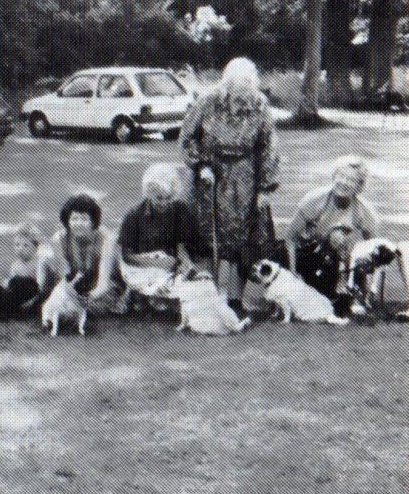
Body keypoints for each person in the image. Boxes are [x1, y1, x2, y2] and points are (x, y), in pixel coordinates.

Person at [180, 57, 280, 313]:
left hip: (245, 177)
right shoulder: (208, 101)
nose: (242, 94)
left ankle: (236, 297)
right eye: (237, 87)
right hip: (210, 175)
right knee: (206, 233)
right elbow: (187, 137)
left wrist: (265, 188)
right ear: (227, 83)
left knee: (244, 236)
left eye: (247, 87)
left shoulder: (260, 104)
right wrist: (201, 165)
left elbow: (269, 147)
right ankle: (207, 294)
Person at [285, 156, 379, 314]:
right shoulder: (314, 200)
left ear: (359, 186)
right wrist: (292, 275)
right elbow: (290, 238)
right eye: (341, 176)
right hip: (309, 258)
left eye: (351, 180)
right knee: (335, 236)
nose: (344, 182)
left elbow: (375, 250)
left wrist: (372, 287)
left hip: (340, 262)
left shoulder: (365, 211)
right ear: (334, 176)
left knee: (350, 245)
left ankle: (350, 290)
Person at [115, 163, 203, 303]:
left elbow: (182, 245)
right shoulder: (134, 215)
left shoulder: (180, 209)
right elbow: (126, 255)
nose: (164, 203)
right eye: (159, 198)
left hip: (173, 266)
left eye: (168, 198)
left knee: (195, 288)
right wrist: (158, 263)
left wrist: (186, 264)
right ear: (149, 194)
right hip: (142, 266)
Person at [49, 194, 123, 313]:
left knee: (97, 306)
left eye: (84, 219)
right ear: (67, 221)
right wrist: (71, 297)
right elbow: (65, 279)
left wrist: (86, 299)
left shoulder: (106, 239)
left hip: (103, 283)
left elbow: (103, 284)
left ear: (93, 221)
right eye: (74, 219)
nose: (78, 223)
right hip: (76, 284)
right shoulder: (58, 239)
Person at [0, 222, 53, 321]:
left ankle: (1, 311)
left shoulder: (38, 263)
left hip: (29, 299)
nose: (20, 248)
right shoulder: (15, 264)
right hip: (15, 297)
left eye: (25, 245)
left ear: (35, 248)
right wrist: (3, 287)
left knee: (19, 282)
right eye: (17, 245)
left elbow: (41, 288)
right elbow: (8, 284)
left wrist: (30, 303)